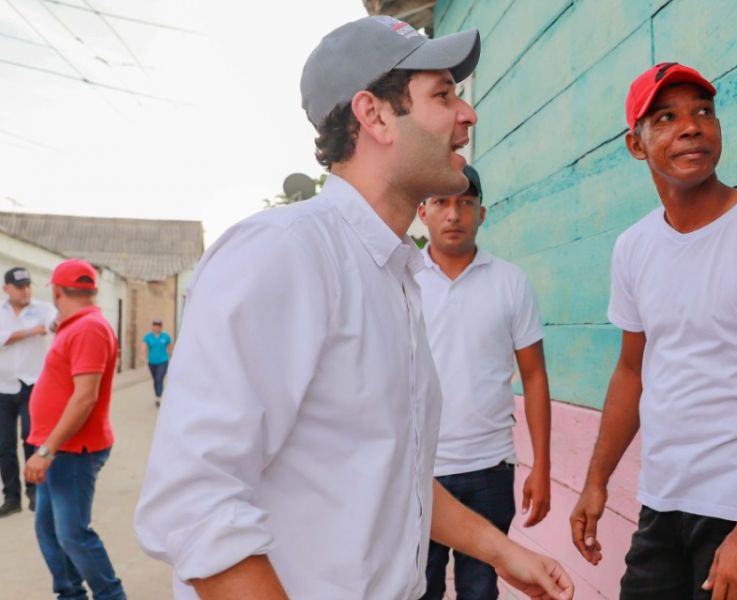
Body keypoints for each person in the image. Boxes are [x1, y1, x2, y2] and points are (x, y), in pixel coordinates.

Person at [133, 16, 573, 600]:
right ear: (375, 115)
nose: (467, 115)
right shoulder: (285, 254)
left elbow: (397, 476)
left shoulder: (395, 274)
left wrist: (504, 552)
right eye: (443, 95)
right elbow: (193, 505)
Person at [569, 63, 737, 600]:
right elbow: (632, 371)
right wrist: (597, 480)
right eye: (666, 118)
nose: (692, 127)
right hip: (662, 499)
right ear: (636, 146)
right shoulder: (634, 247)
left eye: (703, 112)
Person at [416, 164, 553, 599]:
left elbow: (534, 377)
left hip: (489, 468)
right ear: (423, 211)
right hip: (420, 472)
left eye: (466, 203)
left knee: (480, 591)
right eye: (441, 202)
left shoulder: (510, 282)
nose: (453, 214)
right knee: (419, 589)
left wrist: (543, 468)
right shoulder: (404, 280)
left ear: (483, 213)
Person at [24, 258, 125, 600]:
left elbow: (85, 398)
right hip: (58, 449)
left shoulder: (88, 329)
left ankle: (111, 596)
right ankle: (70, 594)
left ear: (55, 291)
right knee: (50, 532)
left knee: (72, 535)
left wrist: (46, 450)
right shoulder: (77, 324)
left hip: (70, 451)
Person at [0, 266, 56, 515]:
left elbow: (54, 324)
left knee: (31, 439)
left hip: (33, 384)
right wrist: (32, 331)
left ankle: (34, 492)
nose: (25, 291)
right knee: (4, 444)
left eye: (27, 285)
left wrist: (15, 335)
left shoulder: (42, 309)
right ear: (6, 289)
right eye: (19, 286)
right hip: (3, 386)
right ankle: (11, 497)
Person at [142, 319, 171, 407]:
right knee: (155, 380)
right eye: (155, 326)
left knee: (159, 378)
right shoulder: (148, 337)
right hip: (152, 362)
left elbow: (170, 349)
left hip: (163, 361)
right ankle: (157, 395)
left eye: (158, 326)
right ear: (152, 327)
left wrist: (172, 358)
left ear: (161, 327)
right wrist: (143, 357)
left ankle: (158, 397)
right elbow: (144, 348)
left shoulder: (166, 337)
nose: (156, 328)